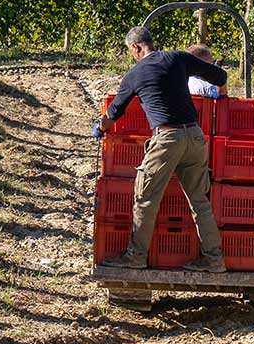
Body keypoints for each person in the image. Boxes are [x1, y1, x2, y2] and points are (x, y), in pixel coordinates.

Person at [92, 26, 228, 272]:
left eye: (129, 51)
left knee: (145, 199)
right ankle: (214, 259)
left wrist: (100, 128)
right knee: (200, 200)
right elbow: (220, 77)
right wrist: (222, 97)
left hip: (167, 138)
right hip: (196, 137)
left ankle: (135, 257)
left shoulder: (135, 74)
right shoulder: (178, 57)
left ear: (135, 47)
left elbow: (113, 113)